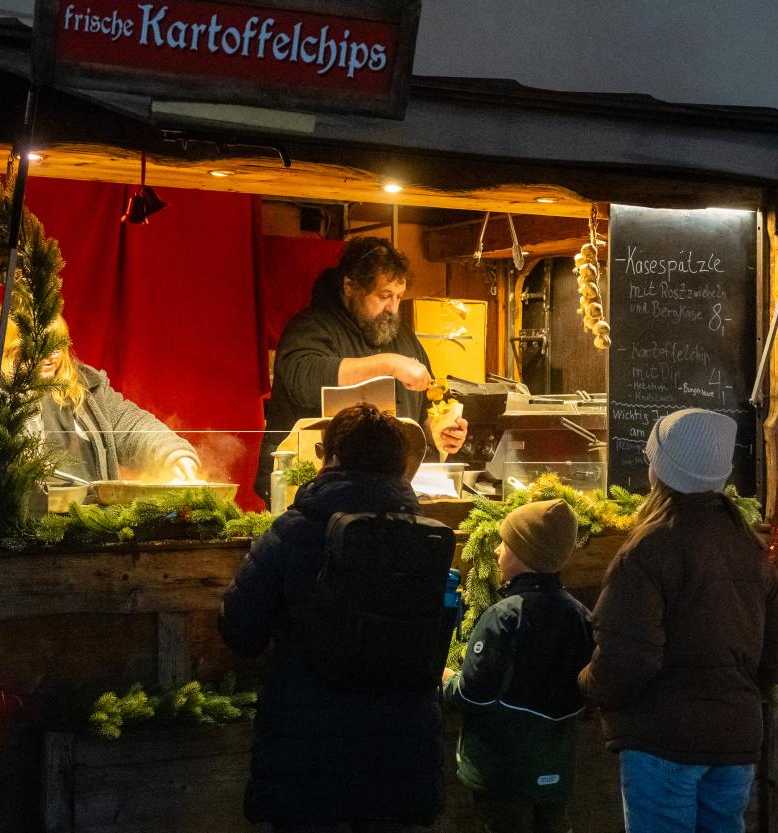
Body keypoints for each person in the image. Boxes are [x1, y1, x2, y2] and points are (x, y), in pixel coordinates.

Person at [218, 404, 444, 833]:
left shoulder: (291, 532)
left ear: (333, 457)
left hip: (308, 756)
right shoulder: (427, 535)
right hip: (399, 757)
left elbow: (241, 631)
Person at [577, 408, 778, 833]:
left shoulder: (647, 550)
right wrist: (740, 697)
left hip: (663, 741)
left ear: (660, 470)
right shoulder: (748, 545)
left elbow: (628, 657)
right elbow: (777, 643)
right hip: (734, 738)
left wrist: (587, 687)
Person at [254, 236, 468, 501]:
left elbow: (425, 407)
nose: (393, 308)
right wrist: (389, 365)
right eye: (384, 296)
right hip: (306, 487)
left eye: (399, 297)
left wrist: (439, 431)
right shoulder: (310, 327)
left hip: (385, 488)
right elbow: (305, 379)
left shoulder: (403, 338)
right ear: (350, 286)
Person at [443, 499, 593, 833]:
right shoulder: (581, 615)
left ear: (524, 554)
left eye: (505, 543)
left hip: (504, 773)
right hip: (556, 770)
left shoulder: (505, 616)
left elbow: (474, 695)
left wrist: (447, 680)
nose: (497, 550)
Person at [0, 309, 200, 483]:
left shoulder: (87, 388)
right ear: (9, 349)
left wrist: (174, 455)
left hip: (92, 518)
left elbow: (132, 427)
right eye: (39, 345)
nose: (50, 356)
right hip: (27, 521)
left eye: (56, 346)